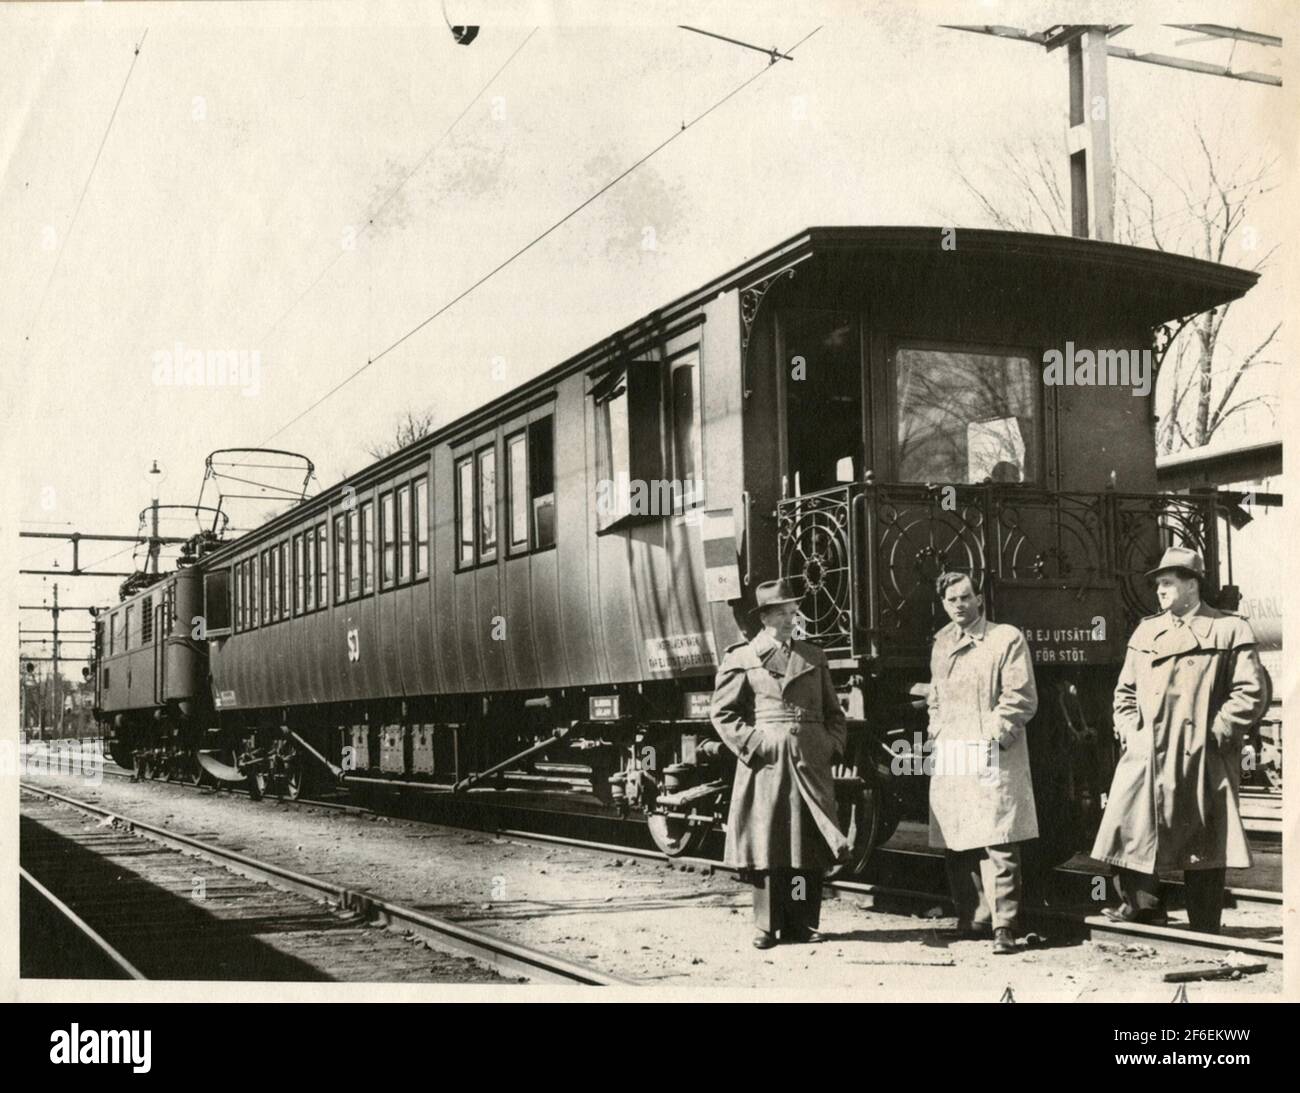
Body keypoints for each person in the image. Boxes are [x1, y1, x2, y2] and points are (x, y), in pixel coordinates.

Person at [1091, 547, 1267, 933]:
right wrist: (1129, 729)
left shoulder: (1229, 628)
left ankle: (1205, 925)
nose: (1160, 591)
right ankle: (1142, 908)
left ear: (1192, 585)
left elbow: (1250, 692)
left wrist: (1218, 730)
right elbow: (1124, 691)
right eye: (1158, 585)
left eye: (1168, 583)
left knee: (1204, 836)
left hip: (1202, 752)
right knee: (1133, 823)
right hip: (1147, 751)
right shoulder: (1146, 630)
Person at [710, 579, 852, 949]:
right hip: (767, 765)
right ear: (765, 617)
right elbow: (722, 713)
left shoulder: (813, 655)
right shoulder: (742, 657)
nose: (793, 620)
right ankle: (766, 926)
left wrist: (829, 745)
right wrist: (757, 743)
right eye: (784, 614)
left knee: (805, 846)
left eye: (794, 613)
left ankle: (801, 924)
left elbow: (834, 712)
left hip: (810, 762)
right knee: (768, 845)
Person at [926, 572, 1038, 955]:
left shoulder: (1005, 638)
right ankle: (973, 918)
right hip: (954, 750)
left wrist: (993, 737)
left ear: (979, 600)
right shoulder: (941, 643)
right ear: (943, 604)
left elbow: (1020, 696)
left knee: (998, 839)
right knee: (958, 838)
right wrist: (936, 730)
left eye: (965, 597)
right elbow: (935, 696)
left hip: (990, 751)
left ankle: (1004, 925)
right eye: (951, 599)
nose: (959, 604)